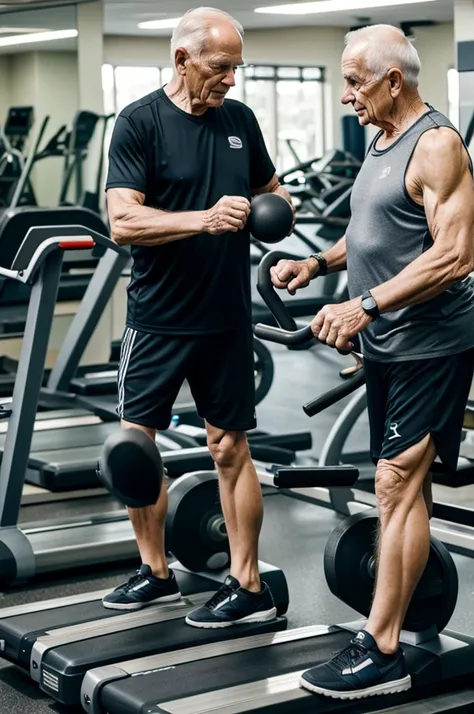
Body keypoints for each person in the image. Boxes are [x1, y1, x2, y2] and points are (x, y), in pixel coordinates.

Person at [271, 23, 474, 700]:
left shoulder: (438, 144)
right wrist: (316, 262)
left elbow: (453, 255)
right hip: (391, 341)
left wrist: (365, 307)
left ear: (395, 79)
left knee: (394, 482)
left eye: (355, 80)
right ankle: (393, 622)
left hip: (431, 342)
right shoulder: (381, 141)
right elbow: (374, 229)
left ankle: (382, 648)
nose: (345, 95)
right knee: (402, 488)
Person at [102, 6, 294, 628]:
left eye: (237, 67)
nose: (231, 79)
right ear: (182, 60)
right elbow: (123, 220)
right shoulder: (139, 123)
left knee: (230, 447)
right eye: (221, 66)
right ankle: (155, 571)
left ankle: (247, 582)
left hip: (226, 318)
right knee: (138, 447)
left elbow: (273, 190)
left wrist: (274, 210)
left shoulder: (239, 120)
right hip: (157, 318)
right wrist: (203, 219)